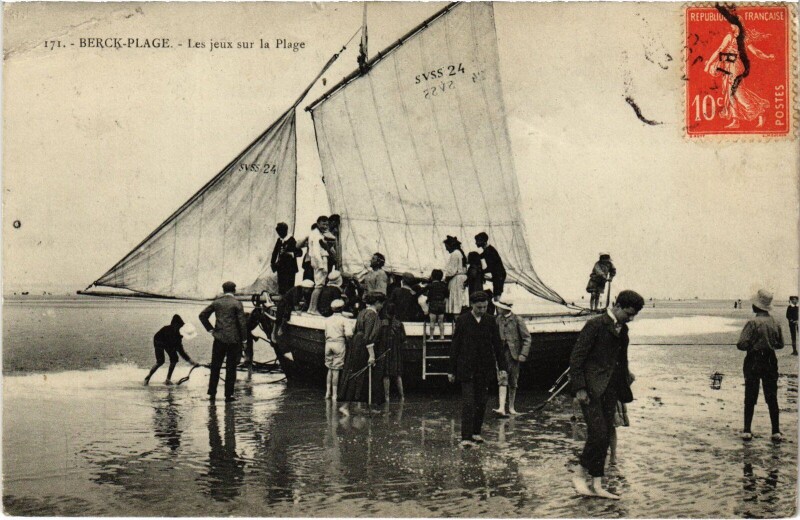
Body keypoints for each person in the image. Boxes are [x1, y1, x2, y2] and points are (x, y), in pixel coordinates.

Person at [570, 289, 644, 499]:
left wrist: (625, 377)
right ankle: (579, 474)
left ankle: (597, 484)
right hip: (591, 390)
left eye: (633, 315)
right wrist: (580, 388)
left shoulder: (624, 330)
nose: (630, 318)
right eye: (628, 313)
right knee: (599, 434)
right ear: (617, 306)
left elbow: (622, 359)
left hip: (611, 389)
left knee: (605, 434)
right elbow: (576, 358)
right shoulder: (595, 325)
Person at [447, 291, 507, 448]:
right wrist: (451, 370)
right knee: (468, 402)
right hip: (466, 368)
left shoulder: (490, 320)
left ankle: (476, 433)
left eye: (485, 307)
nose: (482, 310)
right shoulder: (463, 320)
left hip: (485, 368)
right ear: (472, 305)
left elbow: (497, 345)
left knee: (481, 402)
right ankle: (465, 437)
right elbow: (455, 345)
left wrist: (502, 368)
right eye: (479, 307)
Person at [704, 23, 774, 129]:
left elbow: (755, 52)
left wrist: (767, 57)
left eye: (733, 23)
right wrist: (709, 63)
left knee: (738, 93)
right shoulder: (730, 36)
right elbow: (720, 50)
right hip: (728, 66)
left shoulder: (743, 38)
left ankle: (760, 111)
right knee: (730, 93)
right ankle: (735, 120)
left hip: (735, 67)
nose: (731, 26)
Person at [737, 289, 784, 441]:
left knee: (750, 394)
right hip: (770, 360)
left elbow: (741, 344)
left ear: (757, 307)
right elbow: (780, 344)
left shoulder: (752, 323)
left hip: (753, 360)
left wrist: (752, 344)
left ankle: (747, 430)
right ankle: (775, 431)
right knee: (772, 396)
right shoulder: (775, 322)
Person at [199, 281, 248, 402]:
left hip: (219, 338)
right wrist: (245, 340)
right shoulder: (237, 303)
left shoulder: (217, 302)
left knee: (215, 366)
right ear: (234, 290)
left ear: (223, 290)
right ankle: (229, 395)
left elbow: (202, 315)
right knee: (231, 368)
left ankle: (212, 393)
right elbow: (242, 323)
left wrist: (211, 330)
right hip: (233, 340)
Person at [338, 292, 387, 414]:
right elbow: (369, 336)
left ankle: (358, 406)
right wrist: (372, 355)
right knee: (359, 374)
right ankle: (346, 406)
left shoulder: (362, 312)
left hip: (356, 344)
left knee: (356, 373)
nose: (381, 306)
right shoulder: (372, 315)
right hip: (364, 347)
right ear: (377, 303)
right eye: (381, 304)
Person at [492, 297, 532, 416]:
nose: (498, 308)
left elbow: (527, 338)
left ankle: (511, 407)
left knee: (513, 381)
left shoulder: (517, 320)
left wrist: (523, 354)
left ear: (504, 308)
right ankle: (501, 408)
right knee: (502, 378)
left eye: (499, 307)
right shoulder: (497, 319)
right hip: (500, 353)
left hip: (514, 354)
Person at [144, 314, 200, 385]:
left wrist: (192, 362)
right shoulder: (169, 331)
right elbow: (180, 351)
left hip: (169, 342)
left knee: (174, 359)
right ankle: (147, 378)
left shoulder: (179, 333)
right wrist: (192, 362)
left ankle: (168, 379)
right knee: (160, 361)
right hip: (158, 340)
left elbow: (181, 351)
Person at [377, 302, 406, 402]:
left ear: (386, 312)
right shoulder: (399, 324)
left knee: (386, 375)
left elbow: (378, 338)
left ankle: (387, 397)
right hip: (396, 352)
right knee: (398, 375)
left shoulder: (381, 323)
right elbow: (403, 338)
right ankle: (402, 396)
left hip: (385, 351)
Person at [324, 299, 351, 401]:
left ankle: (327, 392)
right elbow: (348, 334)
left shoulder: (327, 320)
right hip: (339, 343)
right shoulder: (345, 320)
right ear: (342, 308)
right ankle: (335, 395)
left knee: (329, 368)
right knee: (336, 370)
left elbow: (325, 333)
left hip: (328, 343)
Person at [307, 216, 331, 314]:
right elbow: (316, 251)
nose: (325, 226)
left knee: (318, 285)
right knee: (319, 285)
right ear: (317, 223)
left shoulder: (316, 233)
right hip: (320, 259)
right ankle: (313, 309)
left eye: (326, 224)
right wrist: (321, 265)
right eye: (323, 224)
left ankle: (312, 308)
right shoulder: (316, 235)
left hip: (318, 259)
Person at [270, 222, 301, 296]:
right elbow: (275, 252)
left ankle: (288, 302)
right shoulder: (279, 240)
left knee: (289, 286)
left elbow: (299, 252)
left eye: (280, 231)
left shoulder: (291, 240)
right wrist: (272, 263)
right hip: (281, 267)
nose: (279, 234)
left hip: (290, 268)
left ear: (285, 231)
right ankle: (282, 302)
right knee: (281, 286)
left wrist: (290, 253)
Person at [475, 232, 506, 299]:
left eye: (477, 241)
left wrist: (481, 272)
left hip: (498, 275)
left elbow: (491, 267)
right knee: (497, 293)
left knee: (497, 295)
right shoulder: (488, 249)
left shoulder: (489, 251)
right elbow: (479, 257)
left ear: (483, 241)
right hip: (499, 274)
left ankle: (497, 307)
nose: (476, 243)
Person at [443, 236, 468, 316]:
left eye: (447, 247)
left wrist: (445, 279)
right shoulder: (460, 253)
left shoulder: (455, 254)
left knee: (456, 302)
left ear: (451, 245)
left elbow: (451, 271)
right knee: (460, 300)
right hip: (462, 278)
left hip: (456, 280)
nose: (446, 249)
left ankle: (456, 320)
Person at [425, 269, 449, 340]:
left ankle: (431, 336)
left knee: (432, 321)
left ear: (432, 276)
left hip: (433, 304)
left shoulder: (430, 285)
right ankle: (442, 336)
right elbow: (447, 295)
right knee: (441, 321)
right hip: (441, 304)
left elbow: (424, 291)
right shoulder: (443, 285)